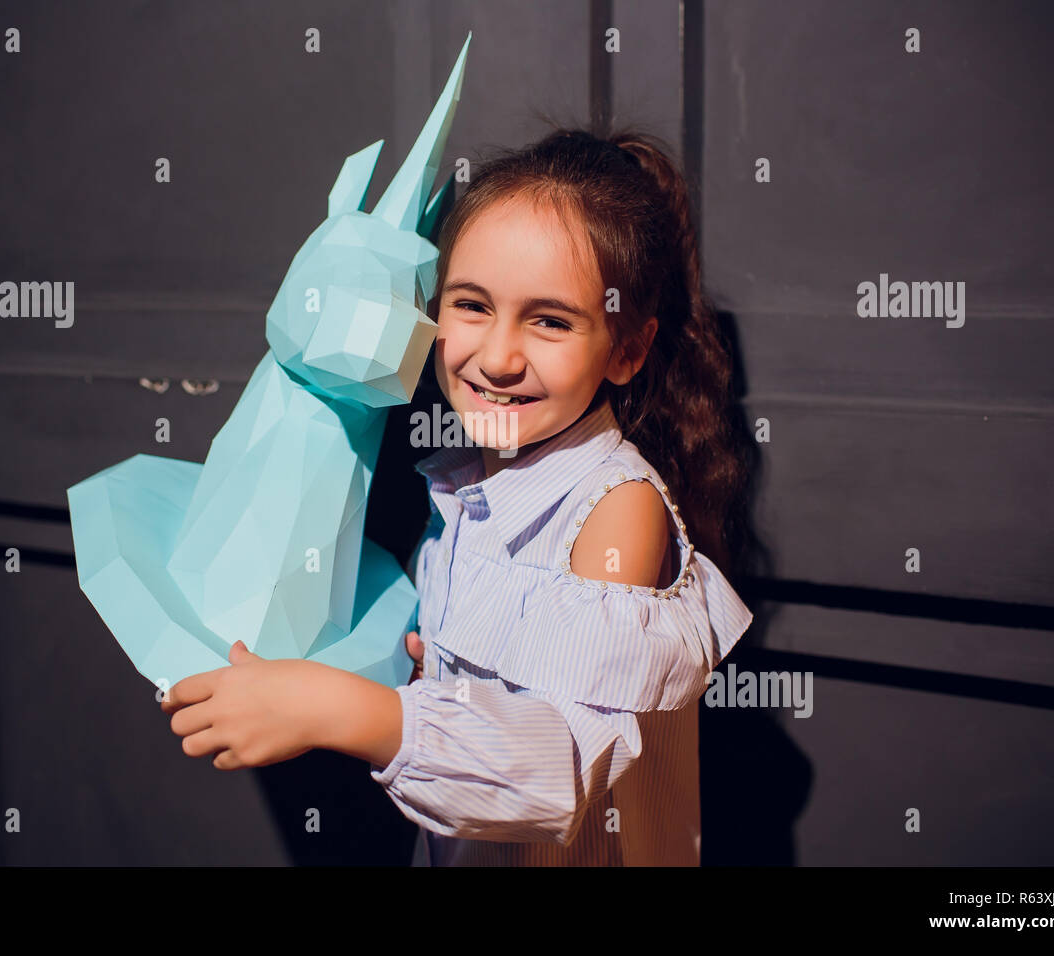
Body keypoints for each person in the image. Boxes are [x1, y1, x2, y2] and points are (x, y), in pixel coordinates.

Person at [160, 126, 754, 866]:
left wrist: (337, 708)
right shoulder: (463, 476)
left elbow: (563, 769)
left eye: (550, 322)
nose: (498, 357)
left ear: (627, 350)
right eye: (471, 306)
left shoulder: (615, 508)